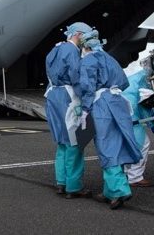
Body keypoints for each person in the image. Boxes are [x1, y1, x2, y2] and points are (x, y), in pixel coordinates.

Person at [79, 35, 142, 210]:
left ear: (85, 47)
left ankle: (119, 190)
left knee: (106, 146)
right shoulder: (109, 58)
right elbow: (124, 82)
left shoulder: (89, 60)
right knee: (118, 145)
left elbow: (87, 87)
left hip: (101, 105)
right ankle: (108, 191)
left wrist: (84, 108)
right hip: (118, 103)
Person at [44, 22, 95, 199]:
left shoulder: (55, 49)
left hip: (52, 96)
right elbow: (75, 76)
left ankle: (61, 182)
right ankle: (73, 187)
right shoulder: (72, 51)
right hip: (67, 97)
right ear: (78, 34)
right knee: (74, 142)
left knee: (62, 141)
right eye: (86, 36)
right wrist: (87, 98)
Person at [122, 68, 154, 187]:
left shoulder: (128, 78)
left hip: (120, 117)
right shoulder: (140, 80)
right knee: (143, 144)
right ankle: (135, 177)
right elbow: (143, 106)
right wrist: (152, 123)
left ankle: (126, 172)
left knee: (125, 146)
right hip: (131, 119)